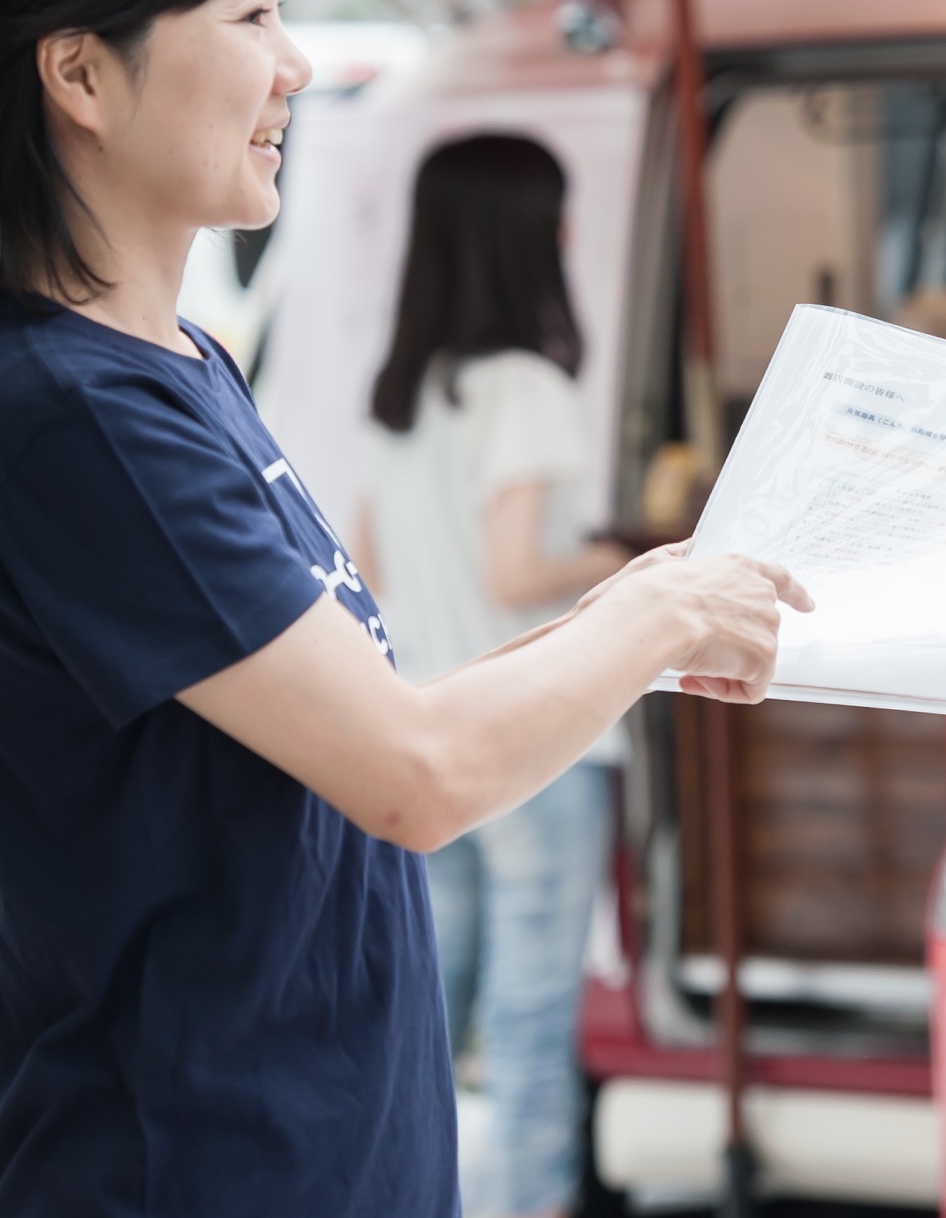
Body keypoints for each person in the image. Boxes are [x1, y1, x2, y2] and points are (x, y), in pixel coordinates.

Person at [0, 0, 808, 1217]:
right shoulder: (70, 414)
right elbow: (415, 775)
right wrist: (651, 612)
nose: (296, 68)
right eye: (254, 13)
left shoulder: (165, 372)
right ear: (82, 73)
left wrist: (640, 613)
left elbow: (364, 722)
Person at [355, 133, 632, 1218]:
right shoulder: (525, 386)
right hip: (540, 741)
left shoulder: (411, 392)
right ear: (531, 238)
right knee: (529, 1025)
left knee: (429, 1019)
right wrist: (627, 569)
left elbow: (367, 564)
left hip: (430, 725)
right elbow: (514, 568)